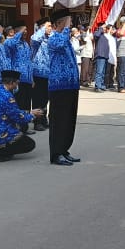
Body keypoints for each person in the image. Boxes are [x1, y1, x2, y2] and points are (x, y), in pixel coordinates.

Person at [0, 70, 42, 161]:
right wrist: (33, 115)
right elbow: (18, 118)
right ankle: (0, 151)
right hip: (0, 133)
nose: (17, 86)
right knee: (30, 144)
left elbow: (13, 112)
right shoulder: (7, 96)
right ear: (11, 82)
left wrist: (29, 112)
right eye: (16, 83)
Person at [46, 8, 81, 166]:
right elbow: (59, 44)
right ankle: (56, 153)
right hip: (59, 86)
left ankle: (64, 149)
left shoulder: (66, 38)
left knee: (69, 120)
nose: (71, 24)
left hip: (71, 85)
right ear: (59, 23)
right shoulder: (54, 38)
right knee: (58, 120)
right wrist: (66, 28)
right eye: (68, 20)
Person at [6, 21, 34, 118]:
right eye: (23, 30)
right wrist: (18, 33)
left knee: (26, 104)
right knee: (18, 103)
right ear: (15, 31)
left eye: (26, 30)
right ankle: (16, 128)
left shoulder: (26, 44)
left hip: (27, 79)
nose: (25, 32)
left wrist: (32, 79)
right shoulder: (11, 42)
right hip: (17, 80)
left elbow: (29, 62)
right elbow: (10, 44)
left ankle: (24, 127)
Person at [30, 19, 52, 131]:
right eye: (48, 26)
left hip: (48, 74)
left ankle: (44, 119)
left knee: (45, 99)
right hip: (37, 73)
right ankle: (37, 121)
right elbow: (34, 39)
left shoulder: (50, 39)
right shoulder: (36, 38)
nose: (50, 28)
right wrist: (43, 28)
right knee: (38, 99)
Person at [92, 23, 110, 92]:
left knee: (102, 72)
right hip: (100, 55)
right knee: (99, 71)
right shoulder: (97, 33)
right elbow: (96, 35)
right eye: (105, 27)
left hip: (105, 56)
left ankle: (101, 85)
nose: (105, 28)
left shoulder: (104, 35)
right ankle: (97, 86)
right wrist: (101, 28)